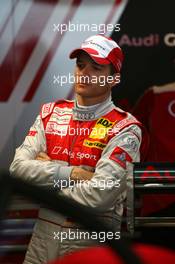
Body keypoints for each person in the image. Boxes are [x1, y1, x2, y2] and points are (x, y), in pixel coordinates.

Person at [10, 34, 148, 263]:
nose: (84, 73)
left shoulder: (125, 127)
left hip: (91, 244)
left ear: (114, 79)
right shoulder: (50, 113)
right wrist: (73, 173)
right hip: (41, 241)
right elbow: (17, 169)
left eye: (96, 68)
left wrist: (45, 178)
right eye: (81, 65)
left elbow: (99, 195)